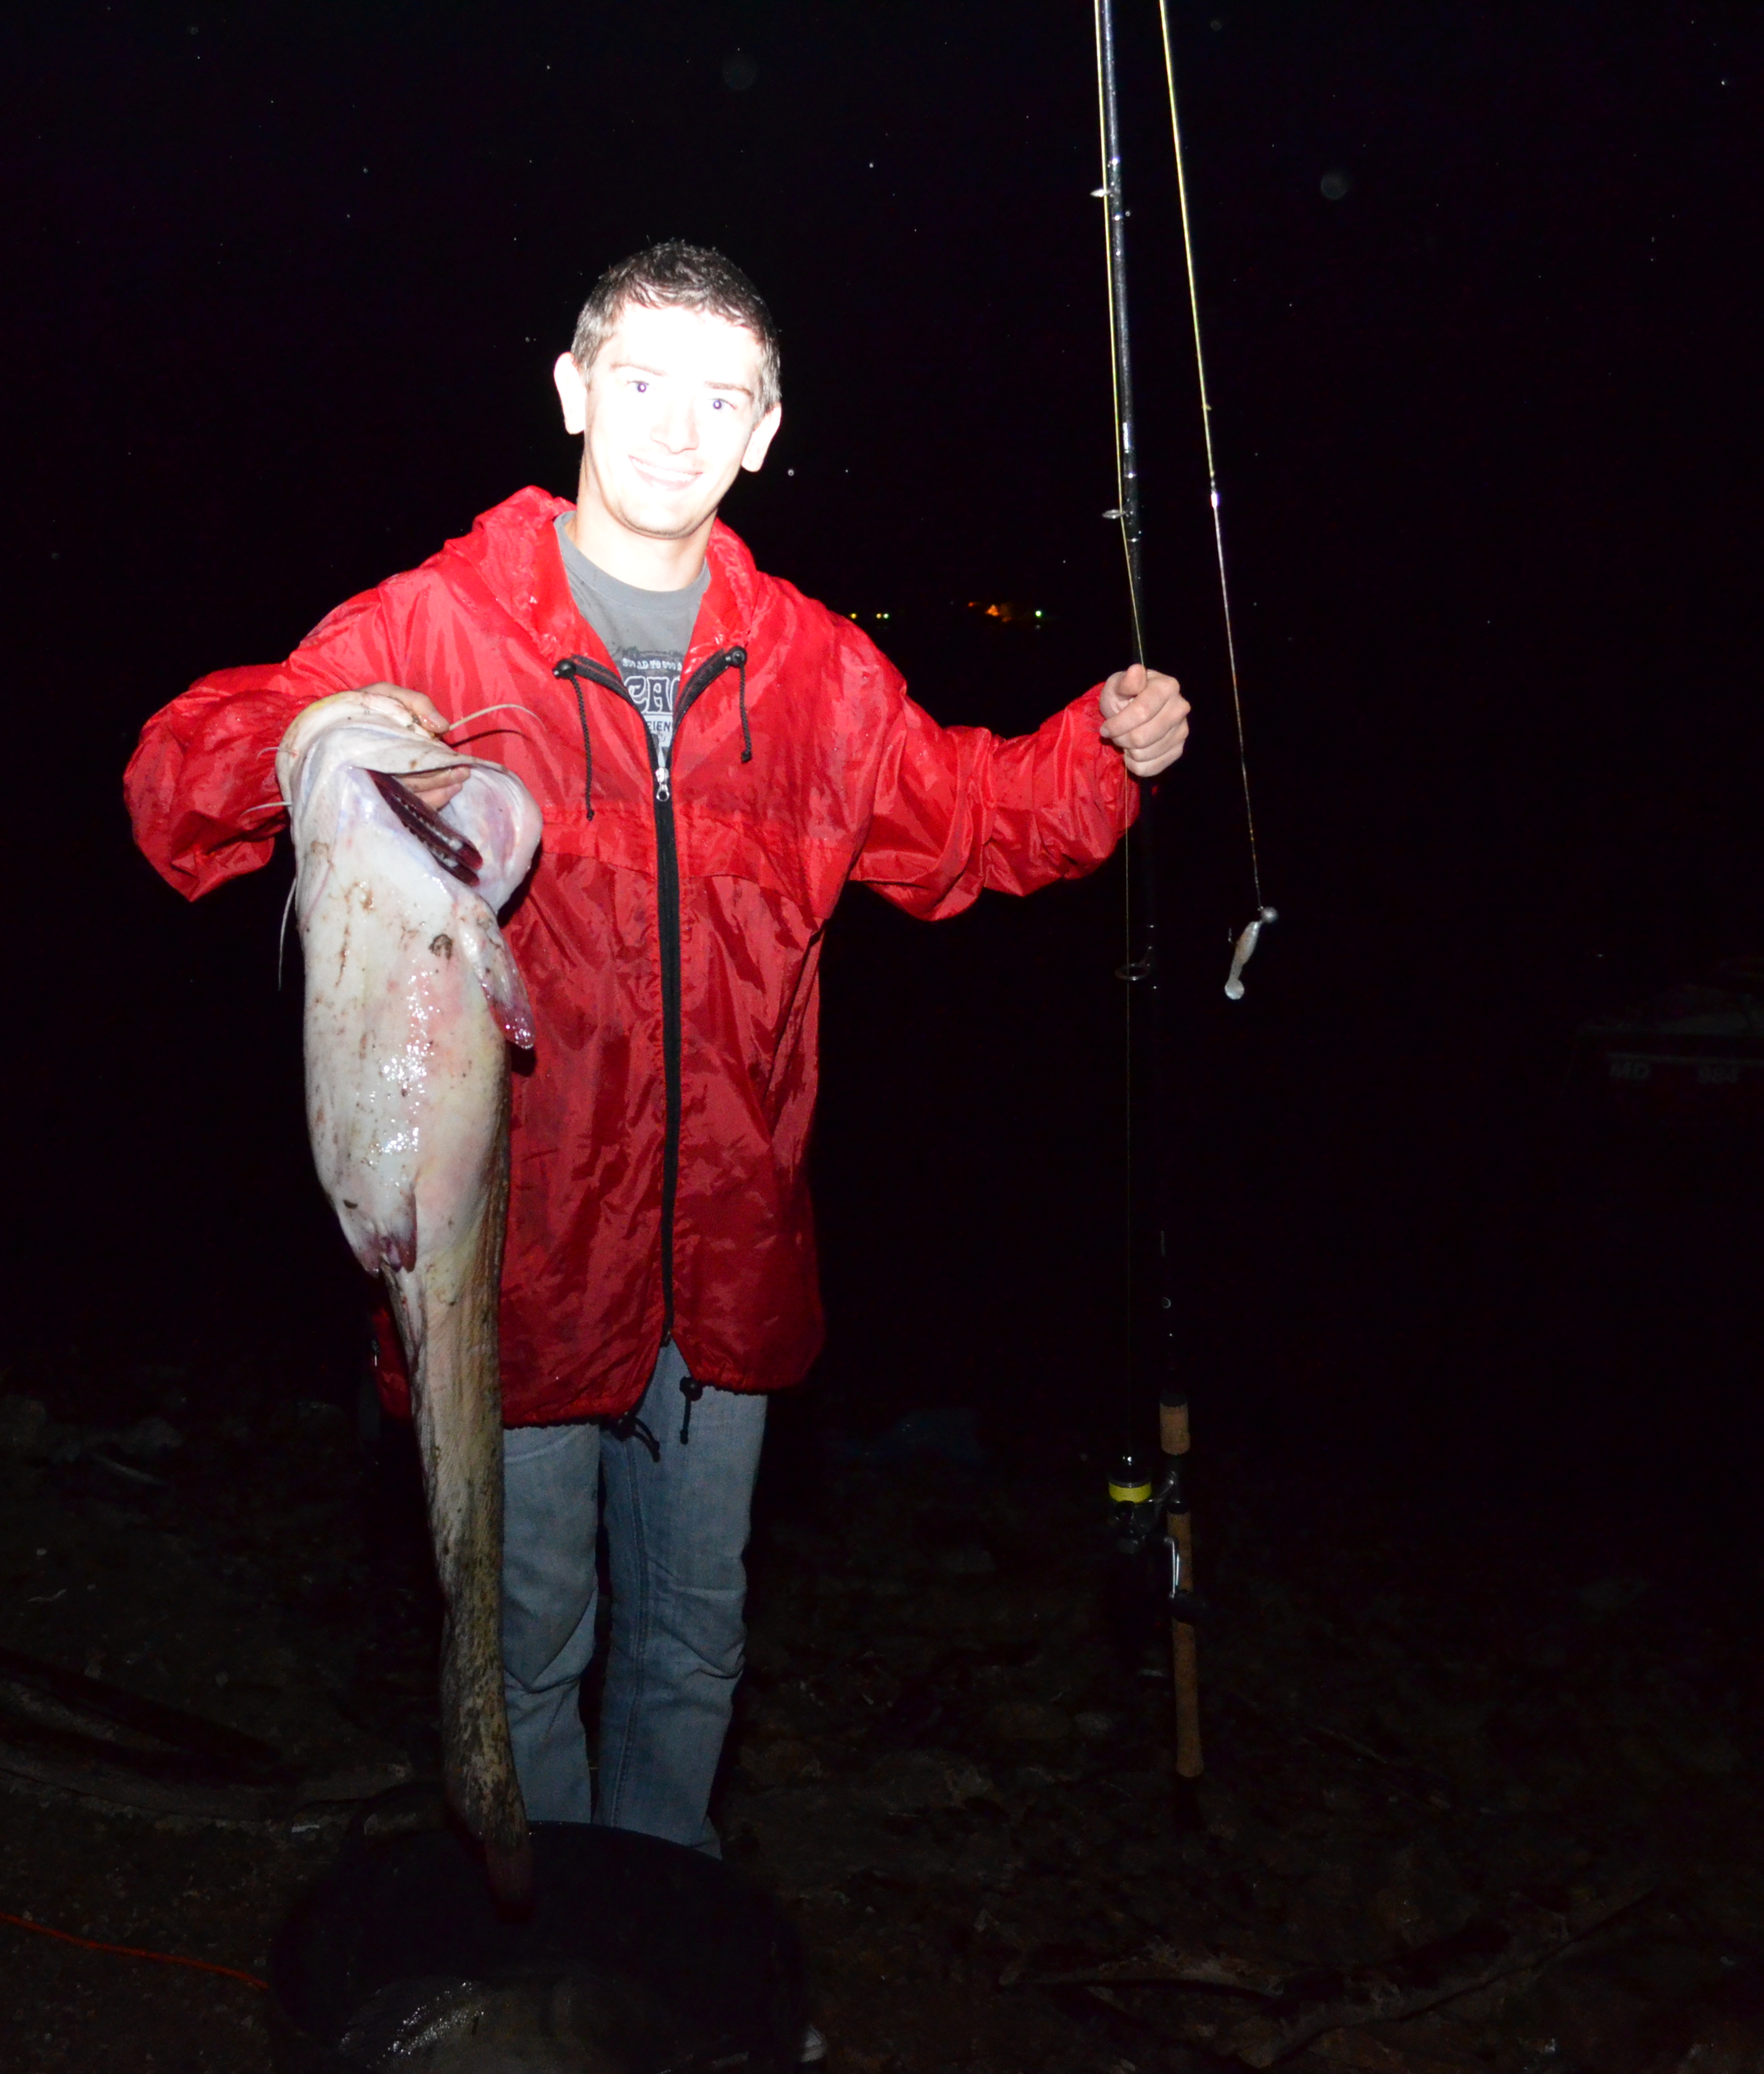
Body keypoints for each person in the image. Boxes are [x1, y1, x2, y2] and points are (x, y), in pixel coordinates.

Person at [126, 240, 1190, 1858]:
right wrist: (317, 739)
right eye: (639, 381)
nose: (675, 427)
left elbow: (969, 821)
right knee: (523, 1647)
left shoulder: (816, 669)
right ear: (571, 392)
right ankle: (542, 1938)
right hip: (511, 1270)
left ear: (766, 431)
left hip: (729, 1265)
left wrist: (1103, 751)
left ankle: (658, 1927)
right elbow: (176, 791)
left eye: (720, 396)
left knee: (694, 1647)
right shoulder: (438, 627)